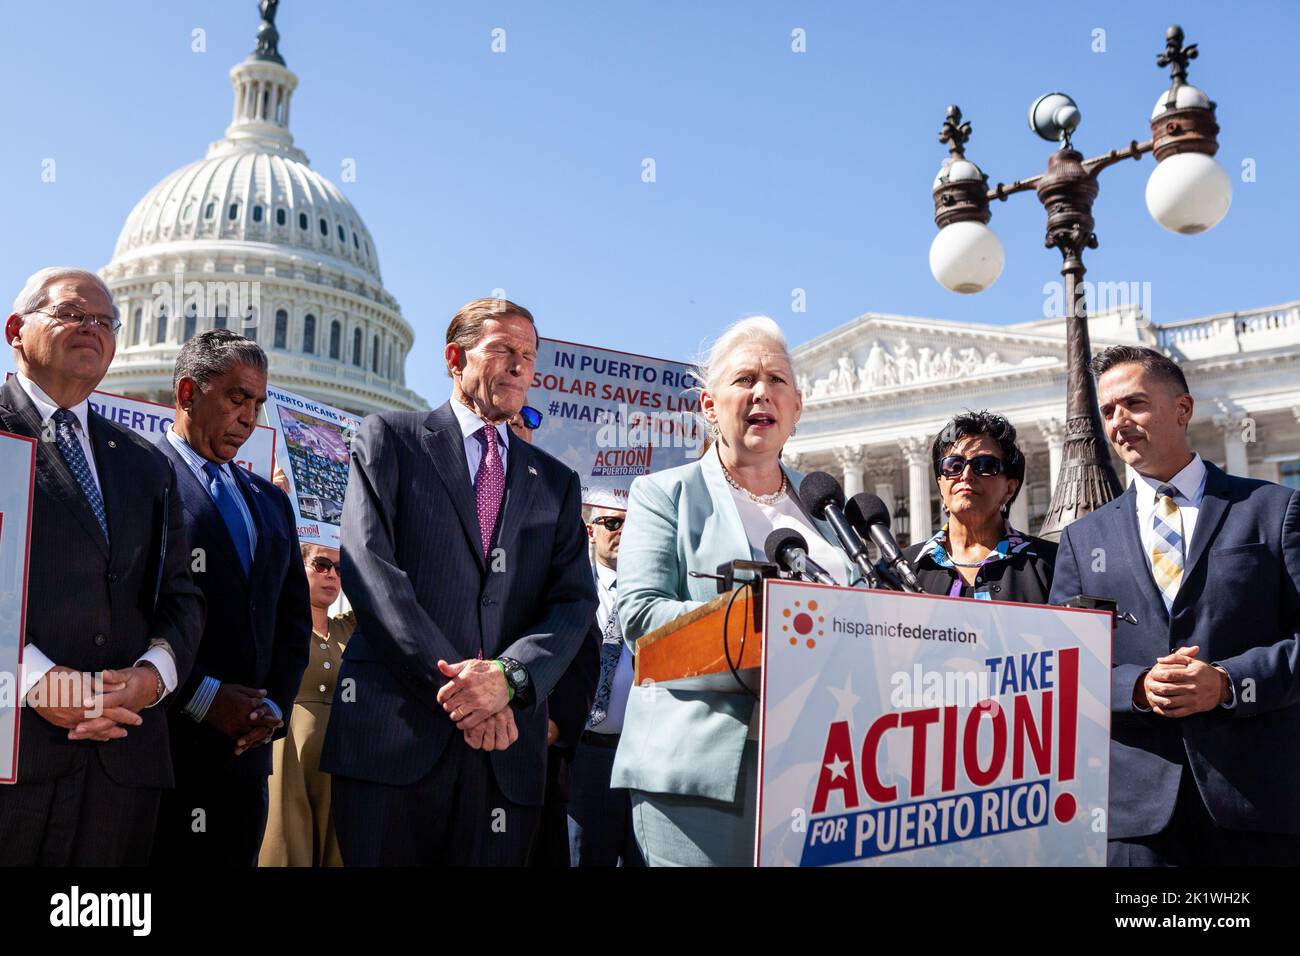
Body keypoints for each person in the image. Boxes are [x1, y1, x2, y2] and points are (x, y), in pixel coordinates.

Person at [320, 297, 597, 866]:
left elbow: (572, 605)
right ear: (455, 357)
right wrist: (465, 691)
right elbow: (372, 571)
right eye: (502, 350)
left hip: (505, 754)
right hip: (395, 740)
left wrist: (508, 680)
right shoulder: (389, 439)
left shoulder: (557, 484)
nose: (519, 366)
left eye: (528, 354)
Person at [611, 315, 856, 866]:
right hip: (703, 778)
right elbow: (642, 620)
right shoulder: (663, 495)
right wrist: (767, 634)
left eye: (776, 381)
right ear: (708, 405)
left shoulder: (829, 513)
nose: (761, 392)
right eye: (744, 380)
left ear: (798, 407)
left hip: (825, 771)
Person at [1050, 344, 1300, 866]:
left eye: (1135, 404)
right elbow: (1061, 666)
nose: (1119, 423)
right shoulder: (1081, 539)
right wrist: (1136, 688)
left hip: (1254, 807)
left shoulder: (1271, 510)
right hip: (1136, 821)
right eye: (1109, 411)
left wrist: (1228, 683)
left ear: (1183, 409)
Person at [0, 267, 203, 865]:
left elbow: (179, 594)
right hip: (14, 748)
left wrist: (150, 678)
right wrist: (35, 680)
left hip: (122, 761)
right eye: (71, 314)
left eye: (105, 323)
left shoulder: (146, 463)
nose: (91, 329)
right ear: (16, 329)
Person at [153, 330, 310, 866]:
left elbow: (291, 620)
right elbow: (128, 610)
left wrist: (272, 707)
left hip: (245, 758)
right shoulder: (140, 477)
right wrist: (202, 697)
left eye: (258, 404)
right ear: (188, 393)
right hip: (164, 750)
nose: (249, 417)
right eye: (237, 398)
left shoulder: (269, 500)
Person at [505, 402, 601, 868]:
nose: (518, 427)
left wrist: (558, 723)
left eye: (526, 421)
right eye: (507, 421)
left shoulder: (555, 504)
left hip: (534, 744)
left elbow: (581, 628)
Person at [258, 542, 355, 867]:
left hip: (339, 757)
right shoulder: (278, 624)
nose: (331, 575)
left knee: (337, 849)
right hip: (288, 755)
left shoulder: (348, 628)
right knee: (287, 847)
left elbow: (378, 594)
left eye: (340, 569)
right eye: (321, 564)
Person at [899, 410, 1056, 602]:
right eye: (953, 465)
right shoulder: (902, 570)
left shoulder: (1051, 564)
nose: (965, 475)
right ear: (940, 484)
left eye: (985, 465)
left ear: (1009, 488)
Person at [568, 501, 645, 867]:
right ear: (590, 529)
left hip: (647, 755)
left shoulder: (661, 591)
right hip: (588, 757)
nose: (624, 532)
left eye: (634, 523)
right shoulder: (571, 587)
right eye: (613, 522)